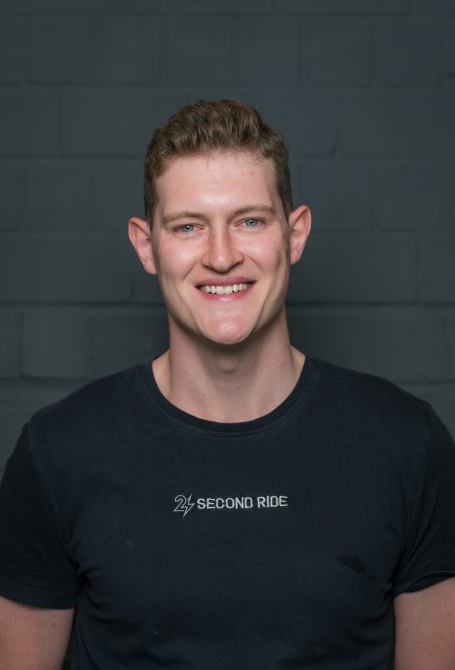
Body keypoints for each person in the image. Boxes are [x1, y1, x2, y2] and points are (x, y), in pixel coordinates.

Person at [1, 99, 455, 670]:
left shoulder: (408, 445)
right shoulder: (58, 453)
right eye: (188, 227)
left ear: (295, 234)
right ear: (147, 245)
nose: (221, 257)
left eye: (250, 221)